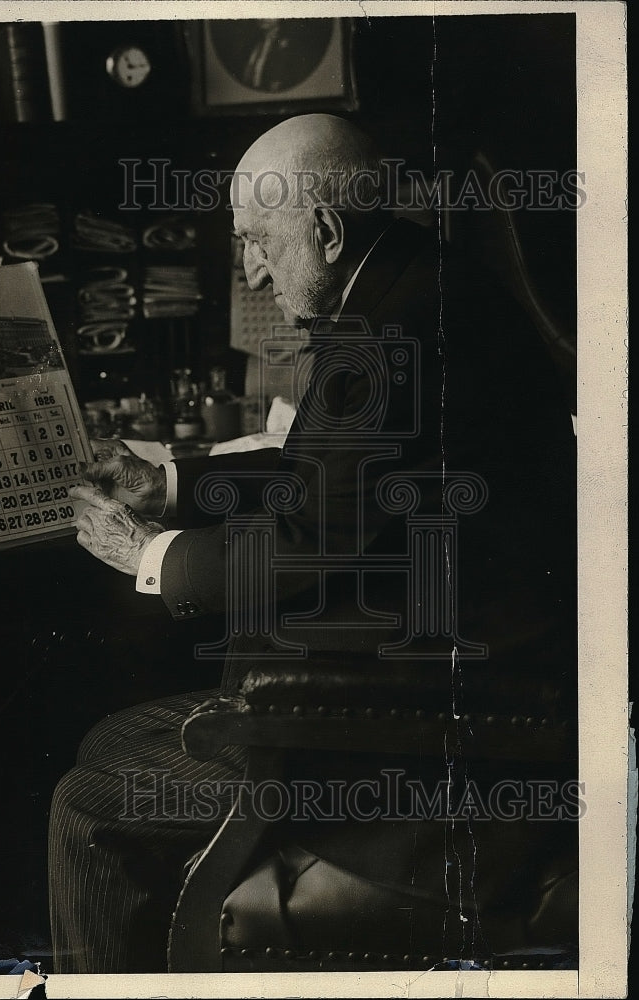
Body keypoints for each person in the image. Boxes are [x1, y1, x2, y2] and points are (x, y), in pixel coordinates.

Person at [48, 114, 576, 973]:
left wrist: (144, 556)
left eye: (256, 240)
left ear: (325, 231)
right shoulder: (417, 286)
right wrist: (173, 484)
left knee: (87, 799)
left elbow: (310, 543)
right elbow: (337, 488)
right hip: (448, 671)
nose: (250, 268)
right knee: (110, 742)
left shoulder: (385, 341)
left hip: (431, 728)